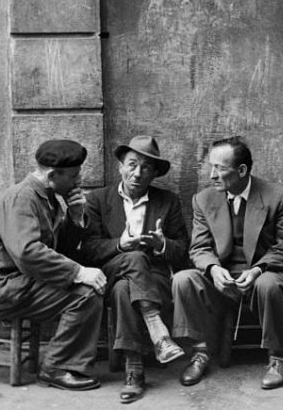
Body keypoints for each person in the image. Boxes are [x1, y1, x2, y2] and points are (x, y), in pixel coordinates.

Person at [0, 139, 107, 391]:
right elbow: (27, 253)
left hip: (23, 282)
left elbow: (59, 251)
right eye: (73, 176)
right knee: (86, 294)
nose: (78, 182)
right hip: (5, 288)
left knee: (90, 289)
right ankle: (55, 367)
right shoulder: (21, 198)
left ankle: (70, 356)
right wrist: (78, 272)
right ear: (52, 174)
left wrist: (76, 216)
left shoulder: (49, 197)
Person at [172, 136, 283, 391]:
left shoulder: (277, 196)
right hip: (221, 278)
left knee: (269, 285)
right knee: (183, 280)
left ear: (241, 170)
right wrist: (213, 269)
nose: (212, 175)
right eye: (211, 167)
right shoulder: (203, 199)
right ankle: (199, 353)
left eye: (219, 168)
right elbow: (199, 247)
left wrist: (256, 270)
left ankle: (277, 358)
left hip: (263, 275)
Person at [81, 135, 189, 404]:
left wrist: (163, 245)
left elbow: (183, 251)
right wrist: (120, 244)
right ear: (120, 166)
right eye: (132, 164)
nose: (137, 173)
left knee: (123, 290)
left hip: (154, 278)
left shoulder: (168, 201)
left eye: (146, 168)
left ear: (154, 174)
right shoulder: (97, 199)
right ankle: (157, 331)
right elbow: (89, 250)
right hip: (111, 270)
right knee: (133, 259)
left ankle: (134, 371)